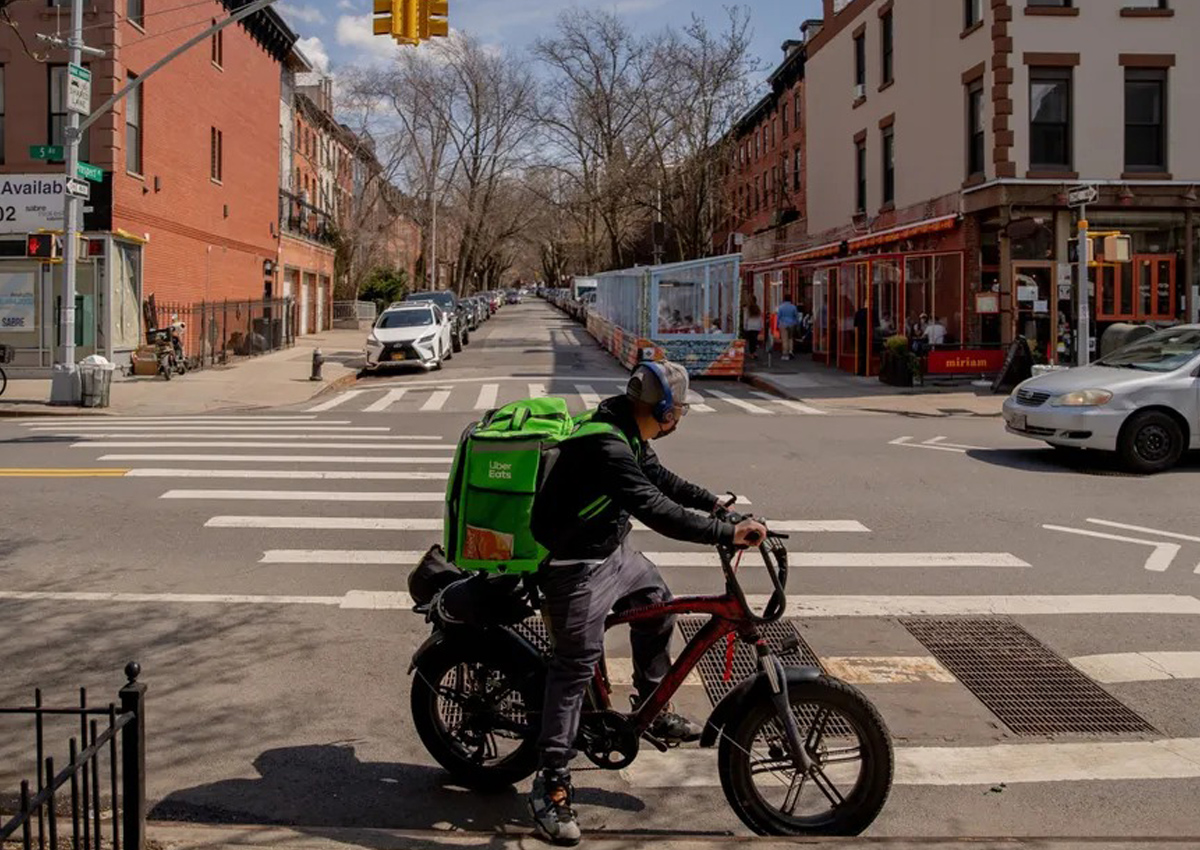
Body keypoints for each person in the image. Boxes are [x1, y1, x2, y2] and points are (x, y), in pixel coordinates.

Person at [527, 361, 768, 846]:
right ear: (661, 409)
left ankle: (652, 706)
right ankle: (550, 783)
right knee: (574, 666)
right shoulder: (606, 444)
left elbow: (661, 479)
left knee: (658, 602)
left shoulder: (627, 430)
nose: (680, 417)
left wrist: (715, 505)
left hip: (611, 552)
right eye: (678, 409)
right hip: (576, 567)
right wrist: (727, 533)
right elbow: (654, 507)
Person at [776, 294, 800, 361]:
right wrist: (797, 324)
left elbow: (778, 317)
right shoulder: (793, 307)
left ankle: (785, 353)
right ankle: (790, 351)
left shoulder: (781, 307)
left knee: (784, 339)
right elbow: (796, 316)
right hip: (792, 324)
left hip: (783, 324)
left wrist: (777, 325)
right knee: (790, 338)